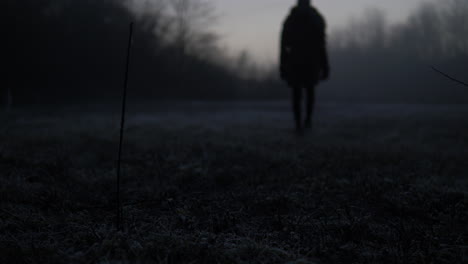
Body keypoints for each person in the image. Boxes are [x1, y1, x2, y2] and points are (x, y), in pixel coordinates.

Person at [280, 0, 329, 133]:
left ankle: (301, 122)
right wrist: (325, 66)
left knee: (300, 92)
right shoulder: (315, 18)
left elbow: (283, 45)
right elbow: (321, 44)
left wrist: (283, 65)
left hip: (298, 60)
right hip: (308, 60)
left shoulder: (292, 18)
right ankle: (305, 121)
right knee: (308, 91)